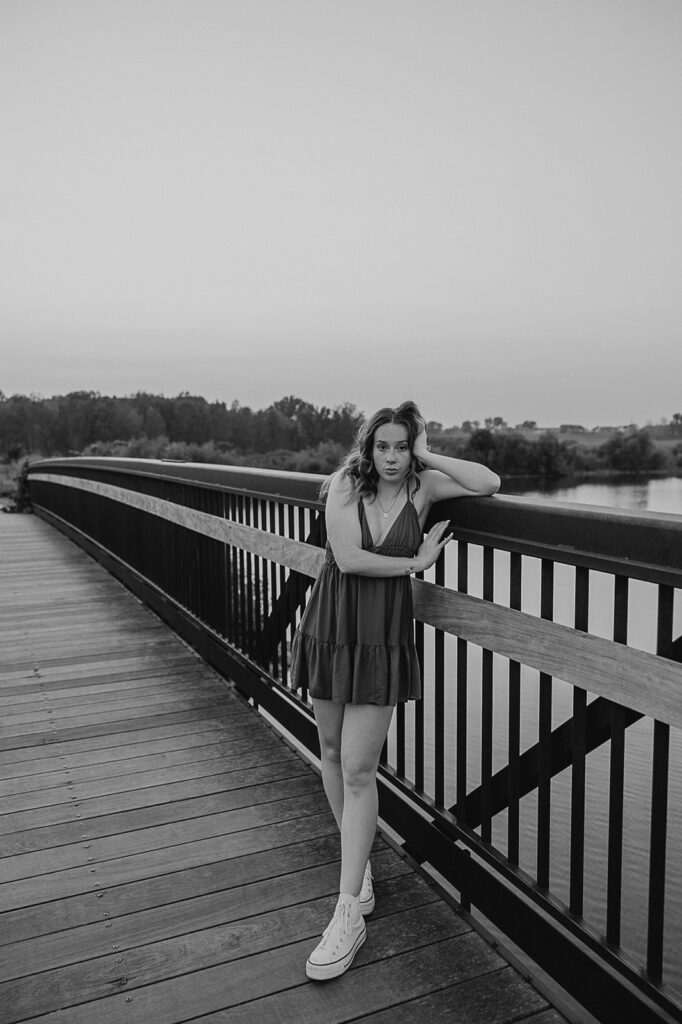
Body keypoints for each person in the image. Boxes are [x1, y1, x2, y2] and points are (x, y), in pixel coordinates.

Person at [289, 400, 500, 981]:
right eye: (381, 445)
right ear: (367, 446)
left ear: (413, 447)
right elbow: (351, 560)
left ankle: (347, 913)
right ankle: (359, 879)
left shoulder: (425, 486)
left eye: (401, 446)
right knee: (329, 752)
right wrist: (415, 560)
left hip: (382, 635)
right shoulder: (343, 484)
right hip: (332, 624)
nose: (389, 457)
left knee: (359, 768)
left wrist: (429, 453)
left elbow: (488, 482)